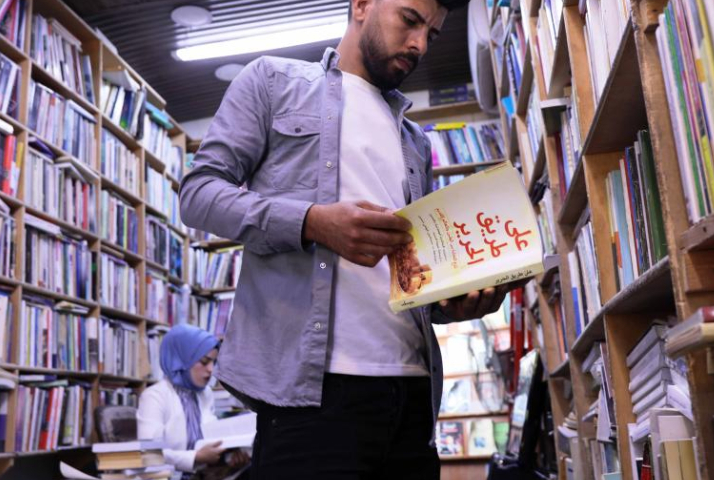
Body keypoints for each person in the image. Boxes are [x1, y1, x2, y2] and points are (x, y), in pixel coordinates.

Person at [179, 0, 516, 477]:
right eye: (410, 21)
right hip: (313, 398)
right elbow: (199, 194)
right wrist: (312, 222)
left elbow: (407, 274)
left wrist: (453, 302)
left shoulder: (415, 142)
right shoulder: (273, 82)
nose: (420, 44)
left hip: (414, 397)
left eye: (432, 35)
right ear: (361, 5)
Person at [137, 324, 250, 480]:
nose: (211, 370)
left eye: (213, 362)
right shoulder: (155, 396)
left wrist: (230, 455)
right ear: (180, 360)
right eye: (204, 362)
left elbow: (210, 439)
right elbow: (148, 454)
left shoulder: (205, 394)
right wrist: (195, 457)